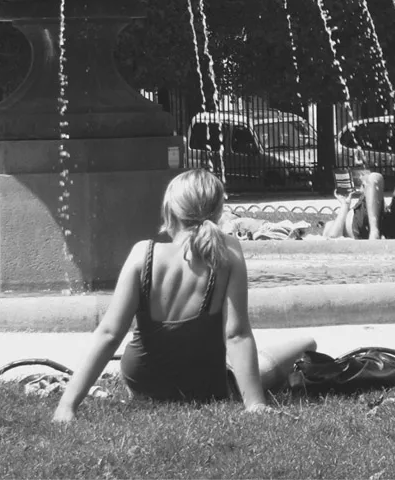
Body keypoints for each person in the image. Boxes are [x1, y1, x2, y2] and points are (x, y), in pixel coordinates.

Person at [52, 169, 268, 421]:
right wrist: (255, 404)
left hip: (144, 381)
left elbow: (109, 334)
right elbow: (236, 334)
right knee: (301, 346)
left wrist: (66, 405)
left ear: (170, 210)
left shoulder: (142, 254)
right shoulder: (228, 252)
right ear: (219, 212)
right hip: (203, 385)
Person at [323, 170, 395, 240]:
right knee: (375, 176)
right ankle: (374, 233)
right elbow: (333, 236)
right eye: (366, 186)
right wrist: (345, 205)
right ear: (361, 190)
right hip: (365, 229)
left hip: (389, 227)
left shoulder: (379, 209)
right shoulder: (337, 220)